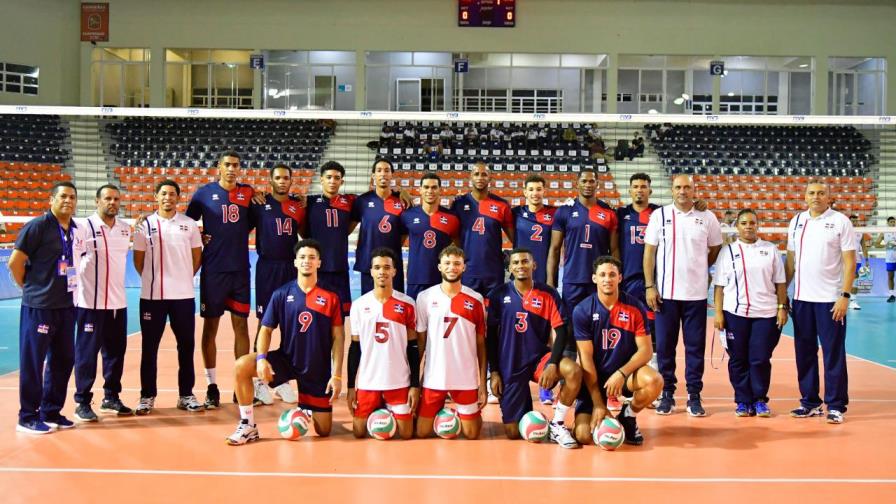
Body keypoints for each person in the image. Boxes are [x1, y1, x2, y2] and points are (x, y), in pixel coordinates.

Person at [226, 239, 344, 445]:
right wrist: (262, 359)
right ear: (295, 262)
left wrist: (337, 375)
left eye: (312, 257)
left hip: (317, 370)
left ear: (319, 263)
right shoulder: (282, 294)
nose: (307, 261)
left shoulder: (331, 297)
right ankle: (248, 425)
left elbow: (338, 338)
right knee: (242, 365)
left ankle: (306, 408)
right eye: (302, 257)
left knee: (323, 430)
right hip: (287, 359)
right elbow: (266, 330)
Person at [643, 174, 722, 416]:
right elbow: (649, 254)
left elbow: (715, 247)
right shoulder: (660, 215)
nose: (683, 191)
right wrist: (650, 286)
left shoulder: (707, 216)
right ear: (672, 190)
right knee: (666, 347)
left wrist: (700, 269)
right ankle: (667, 393)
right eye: (678, 187)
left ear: (694, 189)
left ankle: (694, 395)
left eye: (687, 187)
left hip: (696, 296)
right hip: (666, 295)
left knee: (694, 347)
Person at [486, 249, 582, 448]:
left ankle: (557, 423)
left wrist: (553, 363)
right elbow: (491, 338)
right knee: (514, 432)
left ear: (533, 265)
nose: (520, 265)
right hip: (509, 365)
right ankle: (535, 417)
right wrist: (494, 371)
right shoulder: (498, 295)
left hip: (539, 359)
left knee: (573, 371)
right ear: (510, 267)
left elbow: (562, 331)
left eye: (525, 261)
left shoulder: (548, 293)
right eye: (516, 262)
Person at [9, 181, 79, 434]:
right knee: (33, 361)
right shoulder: (37, 226)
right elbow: (16, 263)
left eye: (72, 197)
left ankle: (51, 411)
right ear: (51, 200)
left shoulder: (74, 229)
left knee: (64, 359)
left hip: (66, 305)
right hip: (39, 306)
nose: (68, 201)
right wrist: (30, 289)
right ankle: (27, 416)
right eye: (62, 196)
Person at [186, 150, 254, 409]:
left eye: (236, 165)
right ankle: (212, 385)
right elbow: (187, 223)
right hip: (213, 270)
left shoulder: (249, 194)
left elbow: (251, 222)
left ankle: (241, 382)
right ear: (219, 167)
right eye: (227, 164)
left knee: (241, 327)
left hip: (239, 270)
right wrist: (200, 237)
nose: (232, 168)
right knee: (210, 328)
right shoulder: (203, 194)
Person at [785, 181, 856, 425]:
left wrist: (845, 296)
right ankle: (810, 402)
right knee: (804, 354)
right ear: (804, 196)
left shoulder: (840, 221)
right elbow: (791, 262)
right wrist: (783, 293)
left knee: (833, 354)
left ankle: (836, 405)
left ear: (829, 196)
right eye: (812, 193)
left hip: (830, 301)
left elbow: (850, 262)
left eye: (821, 193)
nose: (816, 197)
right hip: (802, 300)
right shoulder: (796, 221)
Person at [573, 256, 663, 446]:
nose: (608, 279)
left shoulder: (634, 307)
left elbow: (646, 351)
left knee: (654, 381)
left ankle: (627, 416)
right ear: (594, 278)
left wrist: (622, 373)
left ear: (620, 278)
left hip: (624, 376)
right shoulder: (582, 310)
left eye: (612, 274)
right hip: (594, 378)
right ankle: (596, 411)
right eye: (603, 275)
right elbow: (586, 359)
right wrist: (598, 404)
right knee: (583, 436)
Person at [133, 180, 204, 415]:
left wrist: (182, 278)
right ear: (156, 196)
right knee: (149, 348)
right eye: (163, 193)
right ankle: (146, 396)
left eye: (172, 194)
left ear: (178, 198)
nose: (168, 197)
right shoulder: (145, 225)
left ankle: (186, 394)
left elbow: (196, 258)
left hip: (183, 297)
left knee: (186, 347)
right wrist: (154, 281)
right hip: (152, 297)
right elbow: (139, 261)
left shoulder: (190, 225)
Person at [712, 209, 788, 417]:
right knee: (737, 359)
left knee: (760, 358)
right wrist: (718, 313)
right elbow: (719, 286)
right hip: (734, 313)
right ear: (737, 226)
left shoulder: (770, 249)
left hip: (766, 313)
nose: (748, 226)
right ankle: (743, 401)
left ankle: (760, 399)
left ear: (758, 225)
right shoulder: (727, 252)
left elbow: (780, 283)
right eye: (744, 223)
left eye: (752, 223)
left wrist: (782, 308)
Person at [71, 184, 133, 422]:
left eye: (117, 199)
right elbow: (72, 262)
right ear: (97, 201)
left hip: (118, 304)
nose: (113, 202)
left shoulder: (125, 230)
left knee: (116, 354)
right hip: (90, 304)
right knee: (86, 354)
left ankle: (111, 397)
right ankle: (82, 401)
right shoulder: (83, 227)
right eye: (108, 198)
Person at [414, 246, 487, 439]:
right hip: (434, 377)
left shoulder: (476, 299)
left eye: (456, 263)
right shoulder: (425, 298)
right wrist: (415, 380)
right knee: (421, 432)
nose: (452, 267)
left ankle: (463, 414)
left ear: (464, 267)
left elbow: (481, 344)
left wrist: (482, 384)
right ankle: (444, 415)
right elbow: (420, 341)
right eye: (447, 263)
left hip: (465, 378)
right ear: (439, 267)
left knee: (472, 434)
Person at [346, 248, 419, 439]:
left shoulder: (407, 304)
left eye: (387, 267)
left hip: (398, 380)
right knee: (359, 432)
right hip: (369, 381)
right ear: (370, 271)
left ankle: (388, 405)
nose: (382, 272)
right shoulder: (359, 305)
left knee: (406, 434)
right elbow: (355, 348)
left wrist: (414, 385)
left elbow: (413, 347)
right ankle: (380, 404)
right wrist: (351, 387)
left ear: (395, 271)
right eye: (377, 267)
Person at [248, 164, 306, 405]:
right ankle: (259, 383)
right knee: (265, 323)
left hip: (290, 268)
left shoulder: (298, 207)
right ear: (270, 181)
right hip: (267, 268)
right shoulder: (258, 205)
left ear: (291, 181)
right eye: (278, 178)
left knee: (290, 325)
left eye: (286, 178)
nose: (283, 181)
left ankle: (280, 379)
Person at [511, 174, 558, 405]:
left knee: (547, 331)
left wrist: (550, 279)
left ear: (544, 191)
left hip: (543, 279)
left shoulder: (554, 214)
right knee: (517, 328)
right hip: (519, 280)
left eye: (539, 189)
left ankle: (546, 385)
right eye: (531, 189)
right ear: (525, 192)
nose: (535, 193)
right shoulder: (516, 213)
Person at [547, 168, 619, 311]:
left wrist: (615, 276)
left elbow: (615, 249)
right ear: (577, 183)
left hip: (600, 279)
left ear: (597, 184)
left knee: (599, 321)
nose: (588, 184)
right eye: (584, 181)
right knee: (571, 325)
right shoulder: (564, 211)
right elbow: (554, 249)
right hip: (572, 279)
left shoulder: (609, 212)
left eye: (592, 181)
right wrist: (550, 280)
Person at [450, 161, 514, 299]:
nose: (480, 177)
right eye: (476, 174)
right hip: (468, 269)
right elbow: (453, 235)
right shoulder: (459, 203)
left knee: (493, 315)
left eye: (484, 174)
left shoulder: (501, 204)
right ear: (471, 177)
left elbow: (514, 238)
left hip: (494, 270)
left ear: (490, 178)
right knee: (469, 313)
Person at [304, 161, 358, 319]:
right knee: (316, 315)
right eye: (328, 177)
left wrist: (398, 193)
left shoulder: (349, 202)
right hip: (316, 270)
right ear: (321, 179)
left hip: (339, 268)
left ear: (342, 181)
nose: (332, 181)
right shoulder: (310, 202)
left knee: (339, 317)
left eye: (337, 178)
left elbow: (375, 197)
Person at [400, 173, 460, 300]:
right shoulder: (407, 215)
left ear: (440, 190)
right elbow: (398, 242)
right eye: (426, 187)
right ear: (420, 190)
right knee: (415, 319)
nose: (430, 191)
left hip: (442, 279)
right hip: (416, 278)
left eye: (434, 187)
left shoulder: (451, 218)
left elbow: (459, 247)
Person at [351, 158, 407, 294]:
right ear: (373, 175)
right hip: (368, 262)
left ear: (391, 175)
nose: (383, 174)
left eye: (387, 170)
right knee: (369, 307)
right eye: (379, 170)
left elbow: (404, 233)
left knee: (395, 304)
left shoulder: (402, 201)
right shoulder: (362, 201)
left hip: (392, 263)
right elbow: (349, 227)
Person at [848, 214, 871, 310]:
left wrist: (866, 260)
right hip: (843, 260)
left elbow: (864, 247)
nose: (854, 222)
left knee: (855, 280)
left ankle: (853, 301)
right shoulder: (845, 230)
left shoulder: (860, 232)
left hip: (856, 260)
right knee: (841, 280)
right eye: (852, 220)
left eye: (855, 220)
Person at [873, 216, 896, 302]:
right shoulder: (884, 233)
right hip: (890, 258)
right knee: (890, 276)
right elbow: (876, 244)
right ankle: (892, 295)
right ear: (888, 223)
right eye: (891, 222)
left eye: (894, 222)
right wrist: (886, 245)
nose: (893, 223)